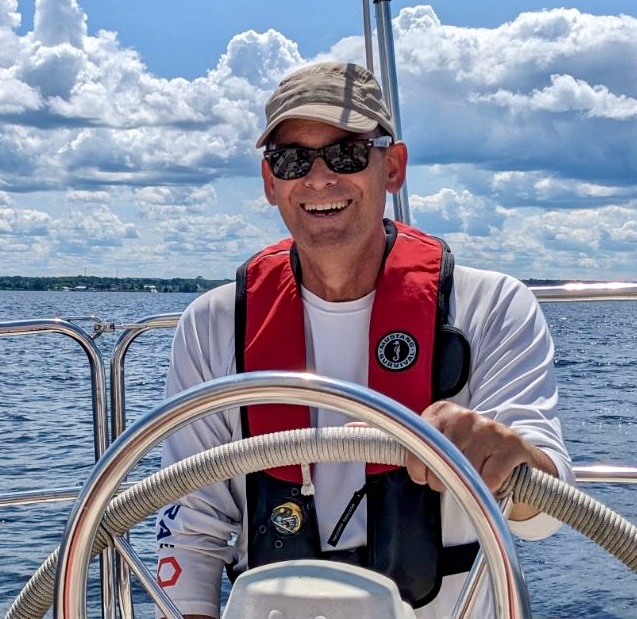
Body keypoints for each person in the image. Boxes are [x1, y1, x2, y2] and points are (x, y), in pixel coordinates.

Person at [154, 62, 572, 618]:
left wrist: (507, 456)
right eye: (292, 159)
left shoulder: (492, 307)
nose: (319, 178)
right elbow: (192, 523)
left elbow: (545, 514)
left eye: (347, 153)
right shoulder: (213, 325)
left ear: (393, 166)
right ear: (269, 182)